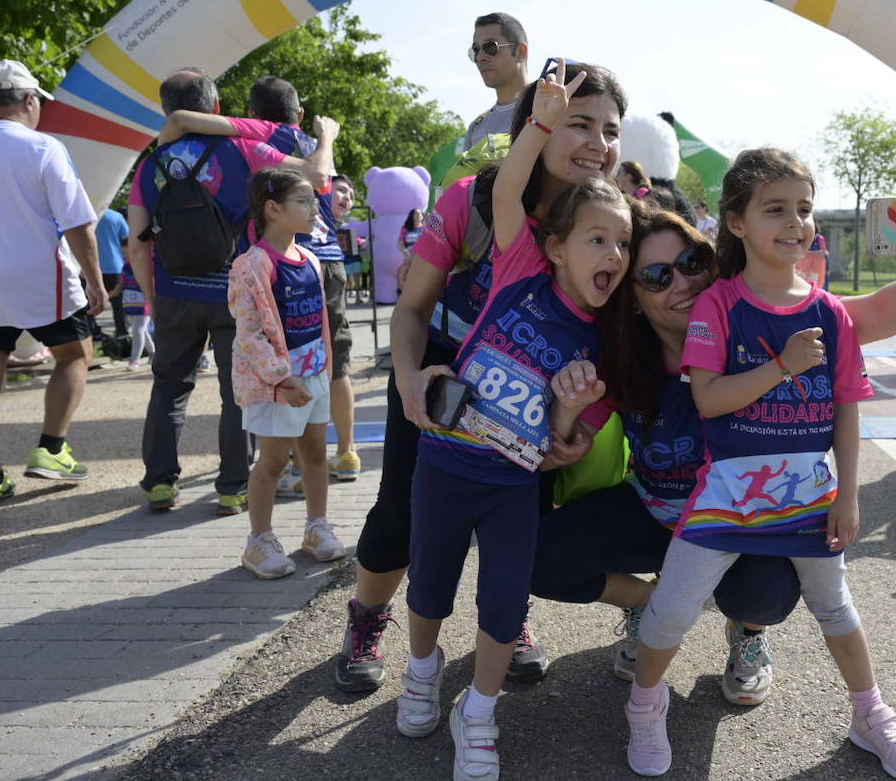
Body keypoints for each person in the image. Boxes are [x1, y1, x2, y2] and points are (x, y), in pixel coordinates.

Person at [616, 148, 896, 780]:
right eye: (775, 209)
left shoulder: (829, 312)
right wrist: (782, 365)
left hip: (809, 495)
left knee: (837, 608)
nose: (795, 223)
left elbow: (846, 407)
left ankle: (871, 715)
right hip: (726, 496)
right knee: (672, 607)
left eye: (804, 209)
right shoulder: (719, 306)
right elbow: (708, 398)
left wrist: (849, 495)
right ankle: (645, 706)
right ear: (735, 222)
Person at [335, 61, 626, 696]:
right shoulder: (473, 201)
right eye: (580, 123)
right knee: (400, 517)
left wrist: (575, 429)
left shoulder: (620, 220)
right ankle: (367, 618)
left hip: (535, 394)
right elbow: (411, 309)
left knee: (523, 518)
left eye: (611, 129)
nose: (598, 144)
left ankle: (508, 616)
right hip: (439, 371)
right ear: (537, 125)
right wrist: (411, 380)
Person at [532, 206, 802, 706]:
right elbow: (554, 451)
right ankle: (649, 606)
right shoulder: (623, 361)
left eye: (691, 261)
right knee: (536, 555)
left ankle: (746, 633)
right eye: (657, 276)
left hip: (739, 524)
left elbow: (859, 320)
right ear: (633, 300)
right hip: (657, 515)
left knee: (768, 591)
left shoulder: (755, 339)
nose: (682, 282)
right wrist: (569, 413)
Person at [128, 68, 339, 514]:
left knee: (169, 386)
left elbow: (137, 240)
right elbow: (314, 178)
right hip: (233, 289)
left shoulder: (150, 163)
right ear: (218, 108)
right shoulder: (243, 148)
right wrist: (324, 141)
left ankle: (161, 483)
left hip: (172, 290)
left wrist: (154, 295)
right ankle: (231, 487)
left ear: (168, 110)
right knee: (237, 390)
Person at [0, 59, 107, 510]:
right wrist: (95, 282)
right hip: (38, 275)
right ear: (29, 100)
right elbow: (78, 222)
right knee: (75, 354)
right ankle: (52, 448)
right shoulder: (44, 148)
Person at [229, 167, 347, 577]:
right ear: (273, 209)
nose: (315, 209)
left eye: (315, 201)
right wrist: (281, 377)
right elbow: (249, 330)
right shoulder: (252, 265)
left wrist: (320, 373)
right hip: (275, 383)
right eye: (304, 201)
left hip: (312, 374)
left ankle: (316, 527)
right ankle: (258, 541)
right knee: (273, 461)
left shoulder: (311, 258)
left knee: (316, 454)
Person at [464, 12, 529, 149]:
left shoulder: (548, 110)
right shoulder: (476, 128)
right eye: (475, 50)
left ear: (520, 51)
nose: (480, 57)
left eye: (490, 47)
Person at [95, 207, 130, 339]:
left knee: (89, 303)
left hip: (92, 268)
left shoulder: (90, 214)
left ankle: (94, 333)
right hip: (115, 266)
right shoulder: (116, 217)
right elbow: (127, 240)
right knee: (118, 305)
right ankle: (122, 333)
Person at [121, 259, 154, 371]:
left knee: (137, 330)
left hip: (145, 302)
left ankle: (134, 360)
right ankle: (153, 353)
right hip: (130, 302)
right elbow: (122, 283)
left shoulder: (148, 263)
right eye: (125, 253)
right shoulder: (125, 266)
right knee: (141, 330)